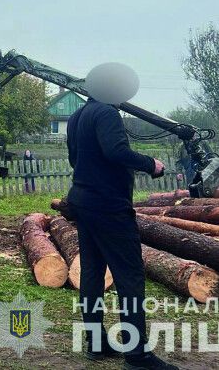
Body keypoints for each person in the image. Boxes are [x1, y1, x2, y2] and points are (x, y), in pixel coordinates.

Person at [66, 65, 175, 369]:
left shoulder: (77, 117)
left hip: (83, 202)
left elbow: (75, 159)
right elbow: (115, 151)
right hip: (108, 206)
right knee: (129, 276)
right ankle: (137, 354)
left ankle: (96, 343)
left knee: (92, 272)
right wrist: (149, 164)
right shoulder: (107, 114)